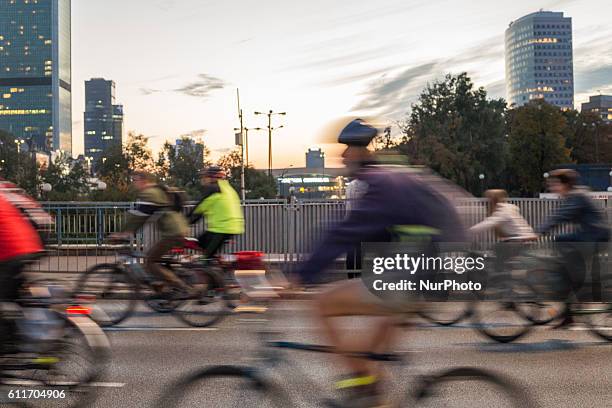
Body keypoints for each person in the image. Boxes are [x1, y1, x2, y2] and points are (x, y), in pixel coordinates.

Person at [295, 119, 466, 405]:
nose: (343, 156)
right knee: (371, 353)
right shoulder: (390, 178)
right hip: (432, 268)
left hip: (419, 270)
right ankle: (368, 390)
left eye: (348, 149)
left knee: (322, 303)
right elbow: (372, 233)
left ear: (361, 152)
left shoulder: (380, 184)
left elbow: (343, 233)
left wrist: (298, 277)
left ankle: (364, 389)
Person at [536, 169, 610, 323]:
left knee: (560, 243)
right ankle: (569, 310)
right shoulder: (577, 194)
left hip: (594, 237)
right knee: (565, 258)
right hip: (594, 235)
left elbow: (560, 216)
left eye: (554, 185)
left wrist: (538, 232)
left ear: (565, 184)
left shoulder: (576, 196)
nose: (552, 189)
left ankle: (575, 295)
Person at [111, 171, 190, 296]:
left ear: (143, 180)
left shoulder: (149, 194)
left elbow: (138, 216)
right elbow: (142, 216)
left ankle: (182, 287)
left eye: (135, 180)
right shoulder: (158, 191)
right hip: (177, 229)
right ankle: (161, 288)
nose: (134, 183)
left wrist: (123, 233)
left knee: (150, 262)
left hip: (172, 232)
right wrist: (128, 231)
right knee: (155, 258)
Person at [0, 192, 45, 354]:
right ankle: (21, 331)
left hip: (11, 252)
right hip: (29, 244)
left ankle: (9, 342)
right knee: (16, 294)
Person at [469, 189, 537, 274]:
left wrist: (468, 231)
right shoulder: (509, 208)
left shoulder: (503, 211)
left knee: (497, 254)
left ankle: (502, 280)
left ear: (493, 200)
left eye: (489, 200)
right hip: (525, 239)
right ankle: (506, 275)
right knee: (499, 254)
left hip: (518, 240)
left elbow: (488, 223)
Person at [189, 166, 244, 259]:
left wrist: (185, 222)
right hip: (232, 226)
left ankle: (208, 266)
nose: (203, 179)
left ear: (212, 177)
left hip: (222, 228)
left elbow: (199, 209)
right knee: (200, 243)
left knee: (205, 256)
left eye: (205, 177)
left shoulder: (214, 189)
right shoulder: (228, 188)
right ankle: (213, 264)